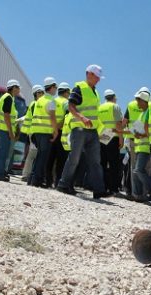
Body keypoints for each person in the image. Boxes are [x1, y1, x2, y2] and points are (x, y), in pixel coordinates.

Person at [57, 64, 109, 199]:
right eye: (97, 77)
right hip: (79, 129)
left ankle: (99, 190)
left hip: (92, 131)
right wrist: (82, 117)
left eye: (99, 77)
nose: (98, 80)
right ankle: (63, 184)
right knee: (74, 158)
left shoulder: (96, 92)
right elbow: (70, 106)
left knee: (95, 161)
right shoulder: (79, 87)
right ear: (89, 74)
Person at [28, 77, 58, 187]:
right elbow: (52, 117)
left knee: (39, 156)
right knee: (43, 157)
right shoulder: (51, 101)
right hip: (45, 132)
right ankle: (37, 180)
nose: (56, 89)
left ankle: (32, 179)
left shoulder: (39, 100)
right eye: (56, 87)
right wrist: (55, 132)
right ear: (52, 87)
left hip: (36, 131)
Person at [122, 86, 150, 196]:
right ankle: (145, 193)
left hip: (133, 137)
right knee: (146, 168)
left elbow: (124, 122)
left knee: (134, 166)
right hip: (146, 139)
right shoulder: (150, 106)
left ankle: (136, 193)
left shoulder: (130, 105)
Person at [0, 79, 20, 181]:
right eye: (18, 87)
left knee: (1, 152)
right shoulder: (8, 98)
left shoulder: (6, 97)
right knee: (2, 152)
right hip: (4, 129)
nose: (19, 90)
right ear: (14, 87)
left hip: (2, 128)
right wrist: (11, 132)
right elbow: (6, 115)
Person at [46, 82, 71, 188]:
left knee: (50, 158)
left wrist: (53, 128)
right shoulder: (67, 102)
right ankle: (57, 182)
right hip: (60, 132)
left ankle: (47, 180)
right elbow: (66, 117)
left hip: (51, 131)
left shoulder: (53, 100)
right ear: (66, 92)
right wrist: (57, 128)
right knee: (61, 159)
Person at [98, 89, 124, 194]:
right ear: (113, 97)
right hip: (113, 136)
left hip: (103, 136)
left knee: (103, 162)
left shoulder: (99, 107)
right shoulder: (115, 106)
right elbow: (118, 124)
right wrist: (121, 138)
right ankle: (113, 188)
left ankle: (103, 186)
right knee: (114, 164)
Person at [131, 91, 151, 202]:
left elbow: (149, 131)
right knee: (136, 171)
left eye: (138, 101)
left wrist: (141, 134)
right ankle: (139, 196)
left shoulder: (149, 112)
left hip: (145, 147)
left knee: (139, 170)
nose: (137, 103)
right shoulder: (142, 113)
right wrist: (136, 133)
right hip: (139, 146)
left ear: (144, 101)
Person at [20, 85, 44, 182]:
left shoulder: (37, 103)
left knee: (33, 154)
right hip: (34, 131)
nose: (42, 94)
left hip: (35, 131)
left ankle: (28, 174)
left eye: (42, 92)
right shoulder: (35, 104)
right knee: (32, 154)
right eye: (39, 92)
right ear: (35, 94)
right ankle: (26, 175)